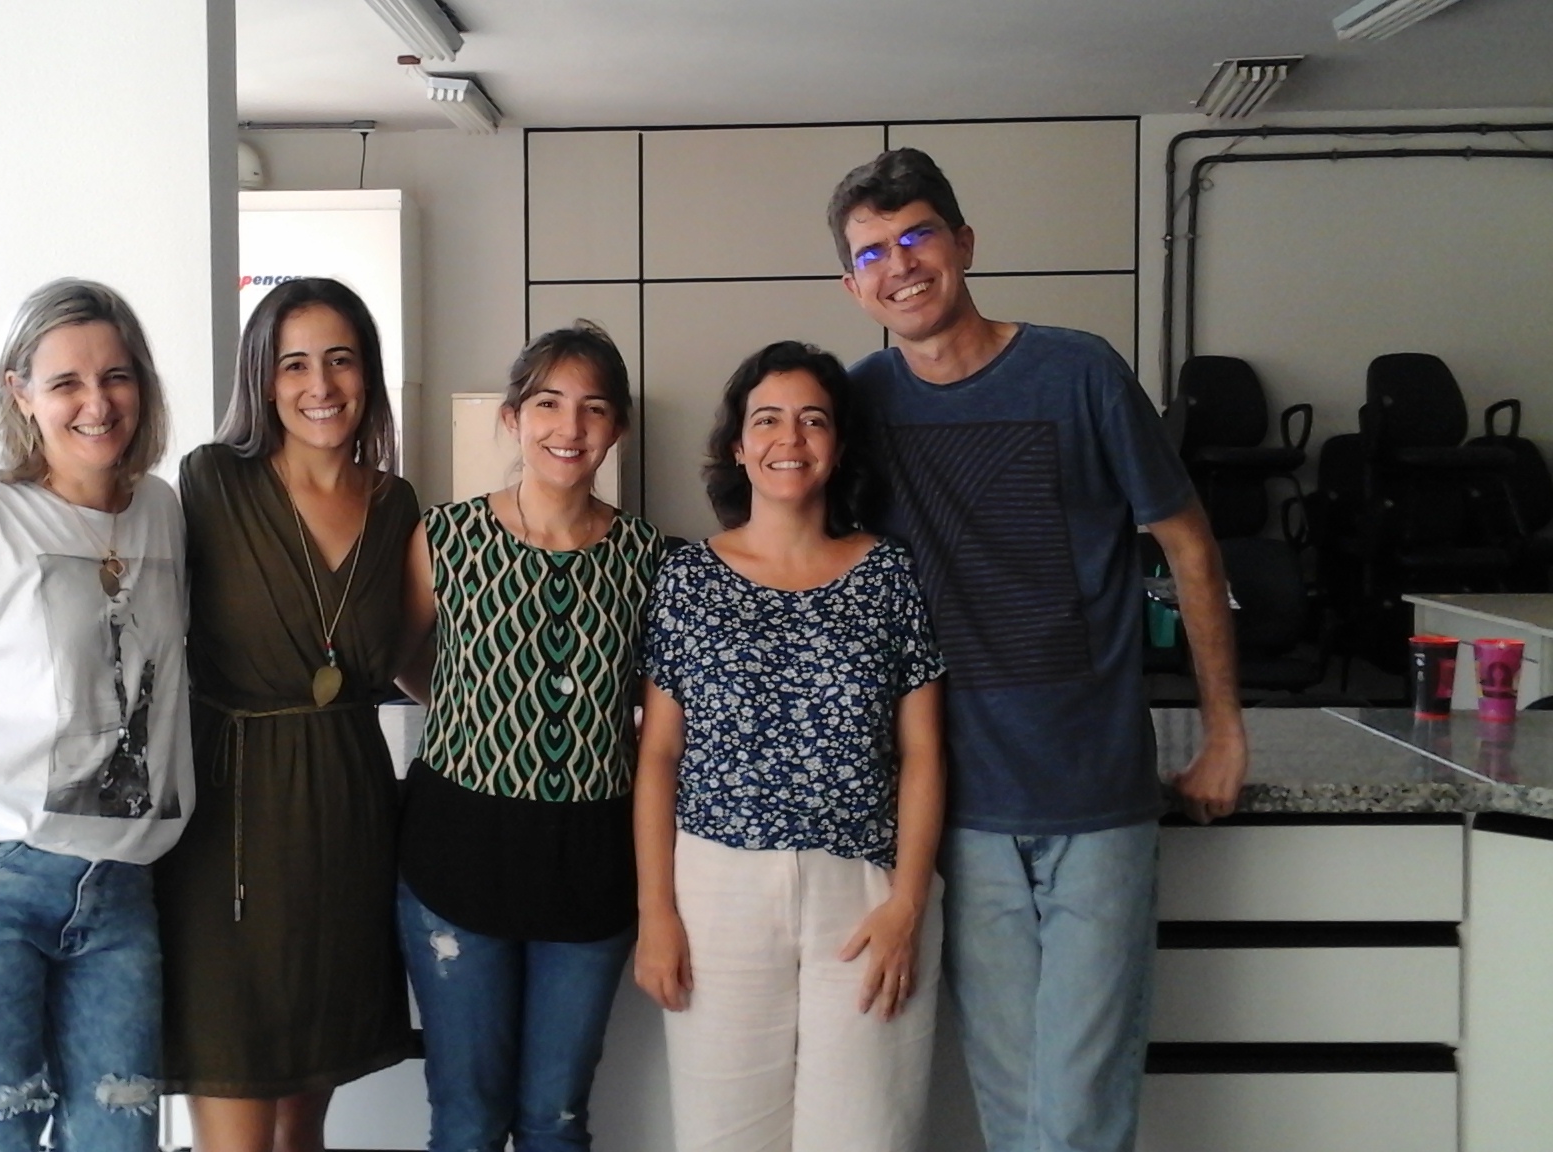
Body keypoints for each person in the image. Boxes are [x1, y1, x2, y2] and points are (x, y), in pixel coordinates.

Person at [828, 147, 1248, 1152]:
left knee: (1080, 1113)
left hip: (1093, 793)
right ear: (852, 285)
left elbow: (1188, 545)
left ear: (965, 244)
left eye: (919, 235)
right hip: (959, 808)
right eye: (872, 252)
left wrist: (1224, 734)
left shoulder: (1079, 370)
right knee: (1013, 1110)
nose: (901, 264)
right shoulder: (860, 403)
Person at [0, 277, 192, 1152]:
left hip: (120, 891)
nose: (98, 403)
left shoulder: (161, 510)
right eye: (66, 383)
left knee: (119, 1142)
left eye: (117, 376)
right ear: (20, 393)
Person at [634, 341, 947, 1152]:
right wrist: (656, 911)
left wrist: (908, 903)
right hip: (718, 889)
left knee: (866, 1136)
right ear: (738, 446)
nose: (790, 438)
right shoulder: (688, 578)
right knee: (723, 1138)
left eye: (813, 420)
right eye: (767, 419)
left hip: (865, 891)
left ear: (838, 446)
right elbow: (659, 755)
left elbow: (922, 751)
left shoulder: (889, 573)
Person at [155, 277, 420, 1152]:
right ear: (263, 380)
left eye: (340, 360)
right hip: (228, 818)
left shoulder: (396, 504)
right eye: (294, 363)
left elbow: (413, 659)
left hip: (347, 812)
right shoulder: (211, 482)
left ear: (368, 372)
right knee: (233, 1106)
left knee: (306, 1117)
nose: (320, 385)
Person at [396, 321, 664, 1151]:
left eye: (593, 408)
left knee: (556, 1117)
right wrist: (478, 711)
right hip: (456, 854)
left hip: (592, 865)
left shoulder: (649, 558)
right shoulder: (446, 537)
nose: (569, 427)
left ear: (617, 428)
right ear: (513, 418)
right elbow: (404, 659)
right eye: (548, 403)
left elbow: (659, 717)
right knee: (467, 1116)